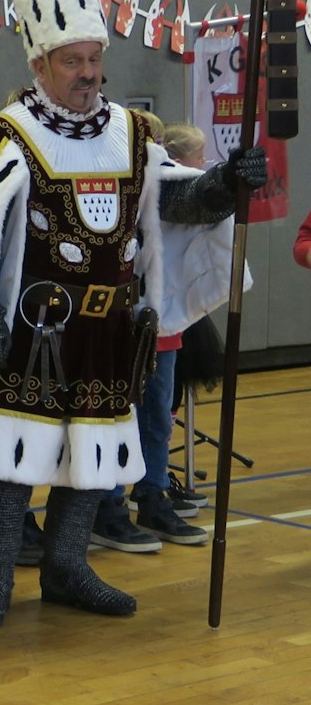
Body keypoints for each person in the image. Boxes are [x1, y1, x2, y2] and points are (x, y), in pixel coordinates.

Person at [0, 0, 260, 628]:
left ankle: (68, 565)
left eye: (93, 58)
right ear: (40, 64)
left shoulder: (133, 135)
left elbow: (176, 200)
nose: (88, 74)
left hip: (109, 329)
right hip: (33, 329)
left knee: (94, 452)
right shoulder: (8, 135)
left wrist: (227, 183)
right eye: (72, 61)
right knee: (12, 452)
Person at [124, 120, 210, 546]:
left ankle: (152, 493)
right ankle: (106, 503)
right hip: (123, 328)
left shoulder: (173, 188)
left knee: (159, 417)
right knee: (120, 417)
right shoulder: (122, 187)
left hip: (165, 327)